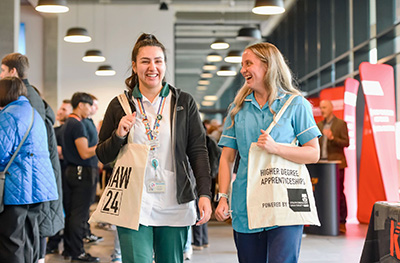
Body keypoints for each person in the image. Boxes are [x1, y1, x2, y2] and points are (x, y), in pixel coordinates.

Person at [96, 33, 212, 263]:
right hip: (133, 202)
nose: (152, 67)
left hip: (175, 201)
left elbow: (198, 151)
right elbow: (102, 155)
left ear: (165, 64)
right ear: (134, 66)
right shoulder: (119, 104)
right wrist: (118, 135)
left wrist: (205, 193)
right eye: (145, 61)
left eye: (158, 61)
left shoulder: (183, 102)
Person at [215, 42, 321, 263]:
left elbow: (313, 153)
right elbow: (226, 158)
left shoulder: (296, 105)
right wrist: (223, 196)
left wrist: (277, 148)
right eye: (242, 64)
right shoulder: (237, 109)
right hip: (246, 203)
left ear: (268, 66)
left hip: (286, 202)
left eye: (248, 63)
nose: (243, 69)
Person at [0, 53, 64, 262]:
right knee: (28, 240)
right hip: (36, 187)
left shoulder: (11, 114)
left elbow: (1, 151)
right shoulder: (33, 110)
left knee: (12, 241)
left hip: (18, 187)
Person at [62, 92, 99, 262]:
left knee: (72, 213)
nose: (91, 109)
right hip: (81, 173)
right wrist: (102, 147)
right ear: (81, 105)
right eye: (90, 105)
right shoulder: (76, 124)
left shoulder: (70, 122)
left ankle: (70, 250)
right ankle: (78, 253)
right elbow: (84, 153)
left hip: (72, 171)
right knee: (79, 214)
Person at [317, 100, 349, 233]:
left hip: (337, 164)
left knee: (339, 193)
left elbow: (346, 142)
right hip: (321, 164)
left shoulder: (341, 124)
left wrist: (332, 138)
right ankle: (324, 220)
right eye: (321, 108)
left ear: (331, 108)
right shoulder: (318, 125)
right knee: (322, 193)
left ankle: (342, 221)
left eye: (324, 107)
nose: (322, 110)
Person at [46, 99, 72, 255]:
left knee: (64, 208)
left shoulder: (67, 130)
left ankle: (60, 243)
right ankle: (54, 242)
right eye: (60, 109)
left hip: (65, 174)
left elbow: (62, 152)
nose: (60, 111)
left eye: (64, 109)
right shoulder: (55, 129)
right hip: (54, 173)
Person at [81, 94, 103, 244]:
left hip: (92, 167)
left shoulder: (88, 122)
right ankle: (84, 234)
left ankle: (86, 232)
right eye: (92, 105)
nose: (94, 108)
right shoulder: (81, 123)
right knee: (83, 207)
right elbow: (85, 151)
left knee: (86, 205)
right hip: (85, 168)